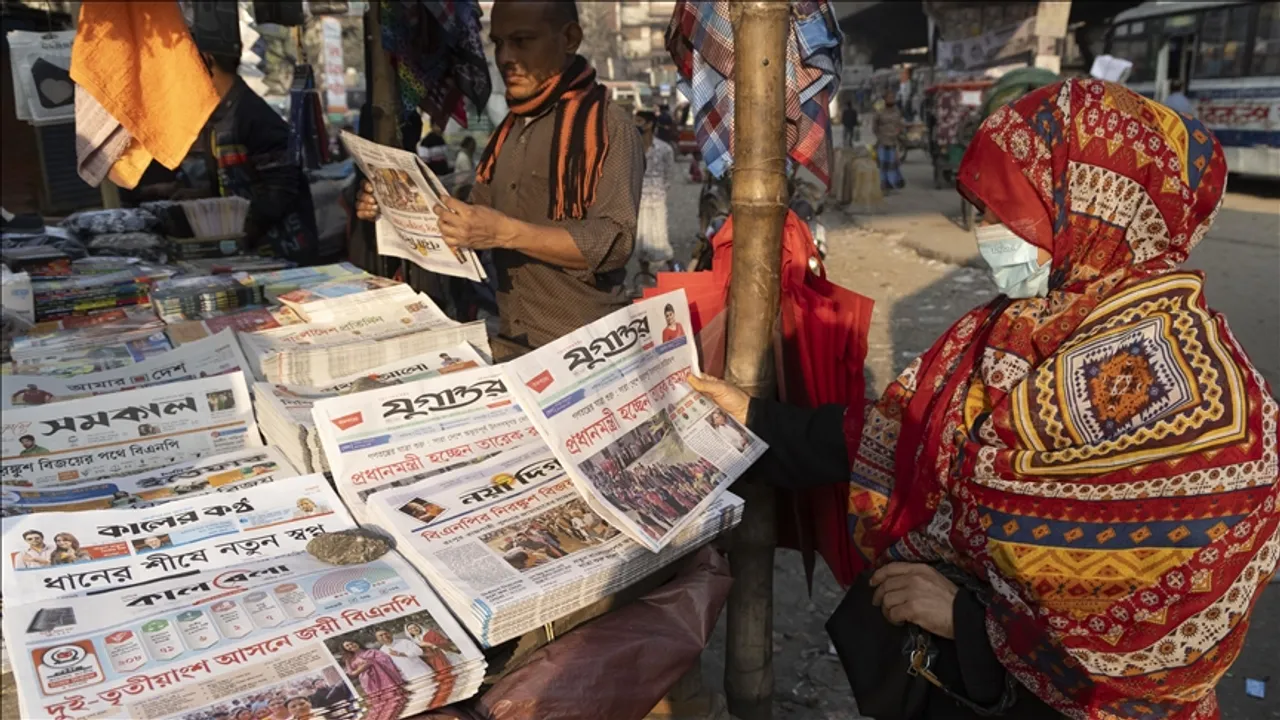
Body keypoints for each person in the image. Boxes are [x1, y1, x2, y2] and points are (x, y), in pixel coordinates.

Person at [688, 79, 1276, 719]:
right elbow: (903, 435)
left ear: (1090, 212)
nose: (988, 232)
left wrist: (974, 624)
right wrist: (752, 419)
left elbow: (1163, 627)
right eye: (983, 210)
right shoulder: (1008, 328)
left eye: (1009, 213)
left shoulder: (1204, 396)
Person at [357, 0, 643, 360]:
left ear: (569, 38)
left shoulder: (608, 126)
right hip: (514, 339)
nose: (506, 57)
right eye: (499, 43)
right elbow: (472, 220)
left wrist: (505, 233)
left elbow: (615, 242)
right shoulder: (508, 131)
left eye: (522, 41)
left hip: (588, 348)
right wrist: (394, 205)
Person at [192, 44, 319, 264]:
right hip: (250, 256)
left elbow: (280, 192)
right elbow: (229, 185)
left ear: (206, 59)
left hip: (281, 257)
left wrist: (241, 233)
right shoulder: (220, 116)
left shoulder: (252, 116)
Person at [634, 110, 677, 280]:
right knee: (641, 244)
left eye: (639, 121)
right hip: (639, 202)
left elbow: (669, 175)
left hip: (657, 202)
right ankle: (645, 280)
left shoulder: (665, 149)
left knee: (661, 242)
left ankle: (673, 277)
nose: (635, 124)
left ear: (649, 124)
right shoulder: (633, 148)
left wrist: (660, 193)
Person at [339, 640, 404, 696]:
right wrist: (361, 668)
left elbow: (386, 660)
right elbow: (351, 673)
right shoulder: (349, 660)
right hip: (368, 682)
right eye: (347, 646)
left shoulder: (372, 651)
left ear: (357, 643)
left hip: (383, 678)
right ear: (345, 649)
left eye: (352, 643)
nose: (351, 646)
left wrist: (371, 661)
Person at [871, 91, 905, 190]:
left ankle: (892, 183)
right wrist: (879, 136)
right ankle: (884, 183)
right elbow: (874, 126)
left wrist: (898, 132)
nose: (891, 100)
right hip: (882, 141)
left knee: (892, 164)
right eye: (889, 98)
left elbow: (900, 124)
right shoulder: (880, 112)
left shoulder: (897, 111)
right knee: (882, 164)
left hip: (893, 142)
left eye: (892, 98)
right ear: (885, 99)